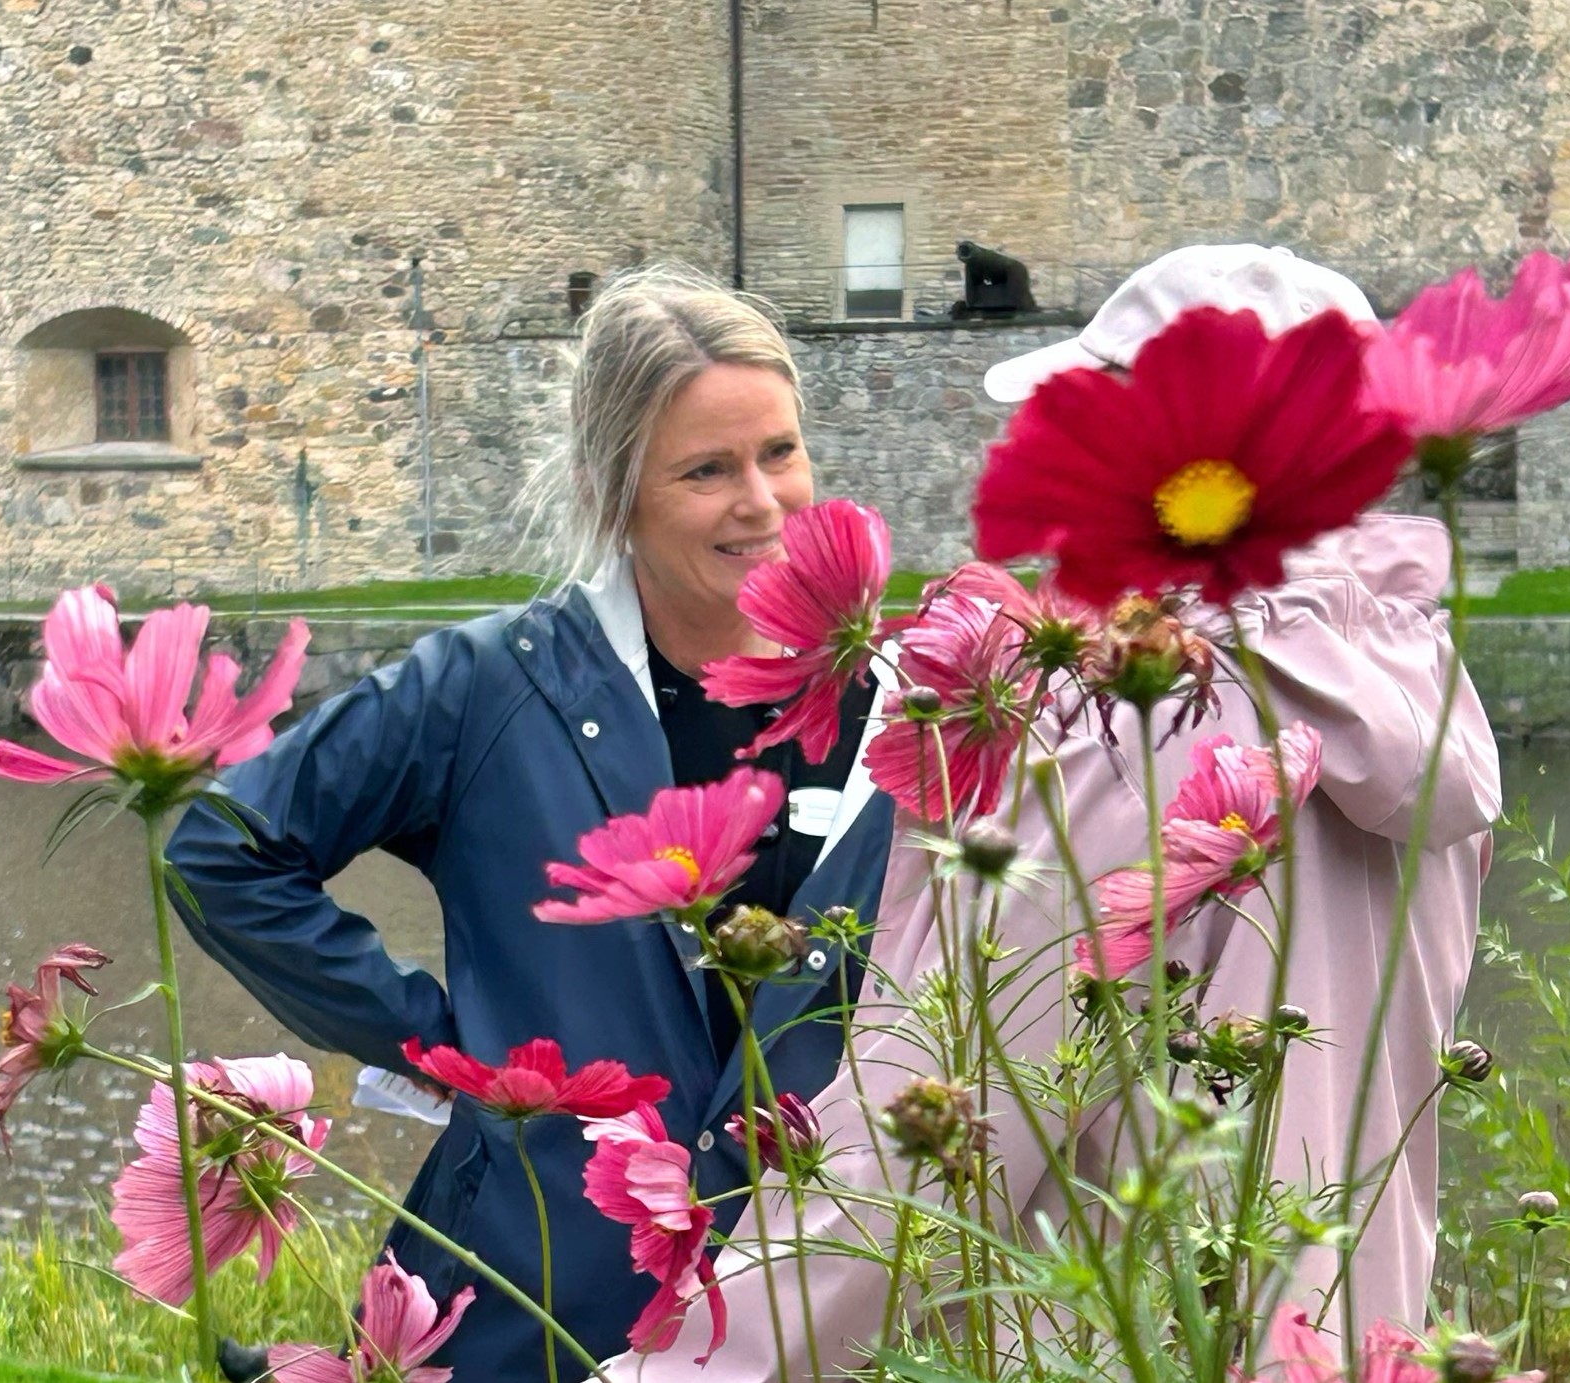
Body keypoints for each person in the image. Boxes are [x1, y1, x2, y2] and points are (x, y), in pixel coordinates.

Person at [604, 245, 1502, 1377]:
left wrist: (670, 1369)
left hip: (1125, 1336)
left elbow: (937, 1142)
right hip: (1349, 1339)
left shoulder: (1136, 712)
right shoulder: (1419, 688)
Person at [164, 265, 898, 1380]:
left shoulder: (910, 716)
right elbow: (222, 848)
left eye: (779, 452)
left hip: (814, 1322)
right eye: (707, 469)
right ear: (614, 491)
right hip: (525, 1312)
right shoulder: (489, 688)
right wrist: (431, 1040)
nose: (762, 501)